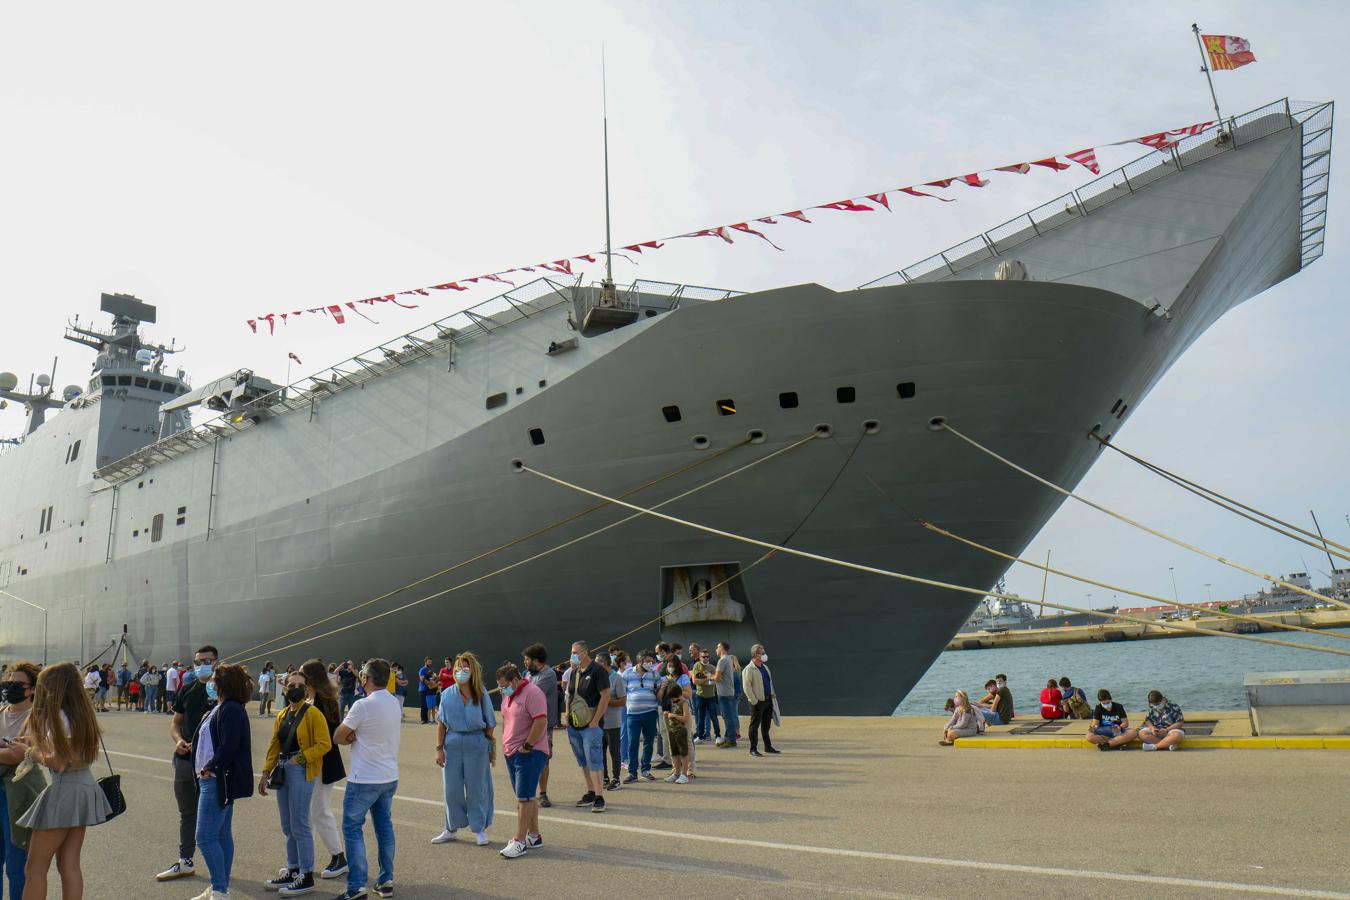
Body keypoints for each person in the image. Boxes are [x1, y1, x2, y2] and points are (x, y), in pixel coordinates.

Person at [12, 661, 112, 900]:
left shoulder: (57, 716)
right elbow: (69, 753)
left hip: (64, 789)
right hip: (84, 785)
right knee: (70, 865)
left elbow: (57, 763)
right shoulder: (81, 714)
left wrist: (29, 752)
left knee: (34, 868)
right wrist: (35, 745)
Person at [259, 670, 332, 896]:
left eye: (301, 685)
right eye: (292, 685)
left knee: (300, 824)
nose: (296, 689)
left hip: (300, 770)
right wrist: (265, 772)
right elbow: (274, 745)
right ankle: (293, 869)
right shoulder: (282, 715)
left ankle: (307, 874)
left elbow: (324, 744)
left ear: (307, 688)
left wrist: (299, 758)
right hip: (283, 770)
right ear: (285, 688)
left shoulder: (313, 714)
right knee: (287, 825)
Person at [333, 658, 400, 900]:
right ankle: (386, 880)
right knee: (384, 828)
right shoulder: (394, 703)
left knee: (352, 828)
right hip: (389, 776)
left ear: (365, 679)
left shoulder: (362, 705)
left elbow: (338, 736)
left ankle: (356, 886)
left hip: (364, 778)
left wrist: (352, 736)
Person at [193, 662, 255, 900]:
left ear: (222, 684)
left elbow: (229, 745)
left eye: (213, 680)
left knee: (205, 837)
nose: (210, 683)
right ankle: (221, 886)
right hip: (213, 778)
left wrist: (211, 768)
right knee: (220, 835)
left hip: (217, 780)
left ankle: (220, 890)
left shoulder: (231, 709)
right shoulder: (220, 708)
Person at [157, 645, 219, 884]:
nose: (201, 664)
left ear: (216, 662)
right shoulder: (188, 689)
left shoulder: (223, 692)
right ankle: (185, 861)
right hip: (185, 760)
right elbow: (175, 723)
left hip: (212, 766)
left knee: (216, 818)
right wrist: (179, 740)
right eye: (197, 661)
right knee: (187, 813)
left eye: (206, 660)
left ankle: (219, 875)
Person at [431, 652, 495, 847]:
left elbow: (490, 722)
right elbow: (441, 723)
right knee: (452, 789)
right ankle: (451, 828)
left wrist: (486, 745)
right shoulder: (447, 694)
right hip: (452, 742)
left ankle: (479, 829)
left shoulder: (481, 692)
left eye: (464, 668)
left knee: (477, 788)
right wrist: (439, 749)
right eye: (458, 668)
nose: (460, 671)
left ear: (472, 670)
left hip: (476, 742)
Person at [298, 660, 348, 881]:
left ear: (309, 679)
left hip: (321, 764)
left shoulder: (321, 702)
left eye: (301, 676)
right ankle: (303, 862)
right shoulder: (314, 699)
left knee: (319, 811)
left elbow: (323, 738)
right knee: (306, 813)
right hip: (312, 764)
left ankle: (339, 857)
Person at [494, 663, 547, 860]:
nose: (502, 689)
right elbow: (508, 720)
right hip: (513, 752)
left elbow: (540, 720)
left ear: (516, 680)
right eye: (499, 686)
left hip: (529, 753)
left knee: (523, 798)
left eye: (504, 685)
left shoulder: (533, 693)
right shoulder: (508, 694)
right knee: (526, 795)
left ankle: (519, 841)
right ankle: (534, 836)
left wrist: (528, 745)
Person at [0, 661, 38, 899]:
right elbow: (12, 752)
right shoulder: (1, 712)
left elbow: (18, 756)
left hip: (18, 795)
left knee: (16, 864)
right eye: (9, 682)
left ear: (32, 689)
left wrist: (10, 752)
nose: (11, 687)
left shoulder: (36, 717)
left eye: (18, 684)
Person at [565, 642, 610, 812]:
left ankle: (599, 796)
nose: (572, 655)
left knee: (594, 760)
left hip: (591, 725)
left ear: (584, 652)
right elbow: (570, 696)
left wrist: (595, 721)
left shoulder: (598, 671)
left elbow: (605, 696)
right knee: (583, 760)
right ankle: (591, 791)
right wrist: (567, 715)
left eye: (575, 652)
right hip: (575, 725)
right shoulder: (575, 672)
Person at [521, 644, 557, 808]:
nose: (525, 662)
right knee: (528, 757)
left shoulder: (548, 675)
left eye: (527, 659)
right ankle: (529, 791)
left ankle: (543, 793)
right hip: (528, 723)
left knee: (543, 759)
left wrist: (516, 687)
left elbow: (530, 693)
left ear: (536, 660)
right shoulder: (529, 674)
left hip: (543, 724)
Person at [620, 650, 659, 784]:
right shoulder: (627, 674)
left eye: (652, 662)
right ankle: (632, 772)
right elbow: (622, 692)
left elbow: (658, 694)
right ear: (640, 660)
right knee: (633, 743)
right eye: (648, 661)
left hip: (650, 713)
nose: (650, 664)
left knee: (649, 742)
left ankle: (646, 770)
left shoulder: (654, 674)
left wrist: (663, 688)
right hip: (633, 715)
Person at [593, 652, 625, 790]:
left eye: (597, 661)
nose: (594, 664)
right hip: (598, 721)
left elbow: (623, 701)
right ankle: (605, 777)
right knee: (600, 751)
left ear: (604, 663)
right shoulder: (597, 677)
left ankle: (616, 778)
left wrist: (606, 701)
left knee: (614, 751)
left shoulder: (616, 678)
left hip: (612, 722)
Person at [741, 644, 779, 756]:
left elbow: (769, 682)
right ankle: (753, 749)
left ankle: (768, 747)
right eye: (761, 653)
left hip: (768, 700)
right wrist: (754, 700)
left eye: (764, 652)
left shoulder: (765, 667)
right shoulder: (749, 669)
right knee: (754, 726)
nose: (764, 655)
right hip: (757, 702)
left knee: (766, 725)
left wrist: (772, 696)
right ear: (755, 655)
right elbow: (746, 687)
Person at [662, 670, 692, 783]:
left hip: (681, 731)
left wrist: (673, 715)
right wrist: (667, 715)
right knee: (674, 753)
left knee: (683, 752)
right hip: (672, 730)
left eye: (673, 698)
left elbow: (686, 718)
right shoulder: (674, 702)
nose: (672, 700)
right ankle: (676, 773)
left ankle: (684, 774)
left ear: (679, 695)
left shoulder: (684, 703)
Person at [712, 642, 739, 747]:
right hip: (729, 692)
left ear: (722, 648)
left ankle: (731, 740)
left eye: (717, 647)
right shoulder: (728, 659)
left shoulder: (722, 660)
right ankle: (728, 737)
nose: (716, 649)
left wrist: (710, 677)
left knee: (727, 717)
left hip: (724, 693)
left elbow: (717, 678)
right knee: (729, 716)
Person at [691, 647, 720, 743]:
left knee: (713, 717)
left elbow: (716, 680)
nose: (706, 658)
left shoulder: (712, 667)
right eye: (703, 657)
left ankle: (718, 736)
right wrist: (708, 679)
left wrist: (706, 680)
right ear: (700, 657)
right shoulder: (697, 666)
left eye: (707, 657)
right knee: (700, 717)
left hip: (711, 696)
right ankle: (700, 736)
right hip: (700, 696)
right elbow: (694, 681)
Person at [416, 658, 438, 726]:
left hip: (431, 690)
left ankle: (428, 719)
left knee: (429, 706)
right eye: (429, 662)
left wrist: (435, 682)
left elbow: (435, 678)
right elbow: (422, 679)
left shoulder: (432, 670)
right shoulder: (422, 670)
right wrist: (429, 683)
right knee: (423, 705)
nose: (430, 663)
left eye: (431, 662)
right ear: (425, 662)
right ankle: (423, 719)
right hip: (423, 689)